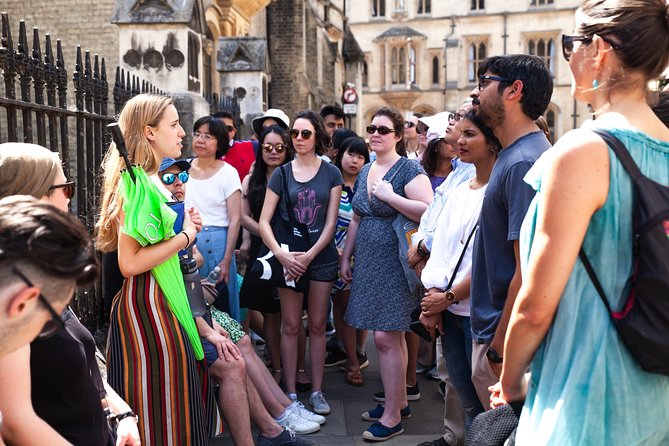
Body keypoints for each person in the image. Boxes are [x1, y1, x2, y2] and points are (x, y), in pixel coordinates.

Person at [490, 1, 669, 444]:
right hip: (656, 399)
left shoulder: (583, 151)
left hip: (585, 401)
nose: (566, 56)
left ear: (600, 50)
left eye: (570, 43)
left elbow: (535, 306)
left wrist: (510, 381)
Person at [158, 158, 322, 444]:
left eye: (182, 176)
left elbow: (192, 260)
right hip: (177, 312)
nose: (179, 182)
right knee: (235, 354)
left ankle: (281, 411)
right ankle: (277, 419)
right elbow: (170, 270)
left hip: (195, 305)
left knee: (242, 341)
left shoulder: (181, 212)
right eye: (169, 179)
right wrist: (186, 249)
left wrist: (189, 251)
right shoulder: (162, 214)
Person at [96, 94, 217, 445]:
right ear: (149, 132)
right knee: (159, 411)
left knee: (175, 405)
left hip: (165, 303)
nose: (182, 132)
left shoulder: (151, 181)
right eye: (174, 124)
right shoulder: (136, 185)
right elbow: (129, 263)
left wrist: (183, 228)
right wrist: (184, 235)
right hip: (148, 310)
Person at [0, 142, 138, 446]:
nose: (68, 199)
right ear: (34, 194)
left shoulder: (38, 270)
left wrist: (123, 414)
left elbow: (80, 369)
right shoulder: (14, 290)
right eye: (66, 188)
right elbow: (15, 423)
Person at [341, 107, 433, 441]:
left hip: (395, 260)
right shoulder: (366, 168)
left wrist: (391, 197)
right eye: (371, 128)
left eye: (383, 129)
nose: (375, 133)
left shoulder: (408, 168)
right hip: (369, 260)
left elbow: (428, 209)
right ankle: (398, 402)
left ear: (397, 135)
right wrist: (346, 258)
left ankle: (393, 415)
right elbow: (355, 218)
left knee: (385, 336)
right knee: (388, 336)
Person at [467, 54, 553, 407]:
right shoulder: (512, 155)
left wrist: (501, 347)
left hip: (502, 337)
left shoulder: (522, 162)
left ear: (513, 90)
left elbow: (527, 269)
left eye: (484, 81)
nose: (476, 92)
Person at [259, 110, 343, 415]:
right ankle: (291, 392)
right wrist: (281, 255)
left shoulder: (331, 173)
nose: (298, 139)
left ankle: (318, 390)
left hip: (320, 257)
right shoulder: (282, 174)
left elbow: (331, 222)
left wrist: (310, 256)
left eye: (305, 133)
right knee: (291, 325)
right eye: (294, 133)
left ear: (317, 136)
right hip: (289, 257)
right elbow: (264, 220)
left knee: (319, 325)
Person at [420, 111, 500, 432]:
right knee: (466, 401)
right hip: (448, 311)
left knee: (488, 408)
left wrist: (448, 297)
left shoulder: (497, 192)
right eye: (460, 133)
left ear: (493, 143)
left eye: (470, 135)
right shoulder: (459, 190)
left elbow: (489, 262)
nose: (460, 141)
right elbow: (442, 250)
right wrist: (433, 299)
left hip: (477, 314)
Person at [411, 101, 475, 446]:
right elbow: (434, 219)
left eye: (464, 125)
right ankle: (454, 436)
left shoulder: (485, 179)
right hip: (444, 294)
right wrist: (420, 245)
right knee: (454, 375)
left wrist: (445, 295)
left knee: (475, 384)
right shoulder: (460, 175)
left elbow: (476, 252)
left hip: (464, 298)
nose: (456, 132)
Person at [240, 126, 294, 383]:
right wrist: (266, 234)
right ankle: (278, 367)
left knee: (293, 315)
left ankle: (295, 368)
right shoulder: (252, 180)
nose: (273, 152)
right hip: (263, 251)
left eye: (279, 147)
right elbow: (243, 216)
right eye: (267, 147)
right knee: (270, 313)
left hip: (291, 251)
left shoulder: (295, 176)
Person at [185, 116, 243, 321]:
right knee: (193, 307)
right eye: (197, 134)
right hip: (189, 243)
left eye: (207, 136)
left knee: (222, 305)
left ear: (219, 141)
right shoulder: (183, 170)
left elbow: (236, 219)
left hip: (220, 246)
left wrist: (227, 260)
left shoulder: (229, 173)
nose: (200, 140)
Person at [326, 137, 370, 386]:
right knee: (343, 310)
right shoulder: (332, 185)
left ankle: (356, 354)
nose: (355, 160)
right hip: (335, 256)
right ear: (340, 155)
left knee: (356, 310)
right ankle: (352, 360)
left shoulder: (368, 186)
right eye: (351, 154)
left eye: (361, 156)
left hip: (362, 258)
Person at [213, 110, 259, 182]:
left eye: (228, 129)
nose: (224, 131)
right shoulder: (204, 154)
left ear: (234, 132)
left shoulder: (253, 146)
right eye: (220, 128)